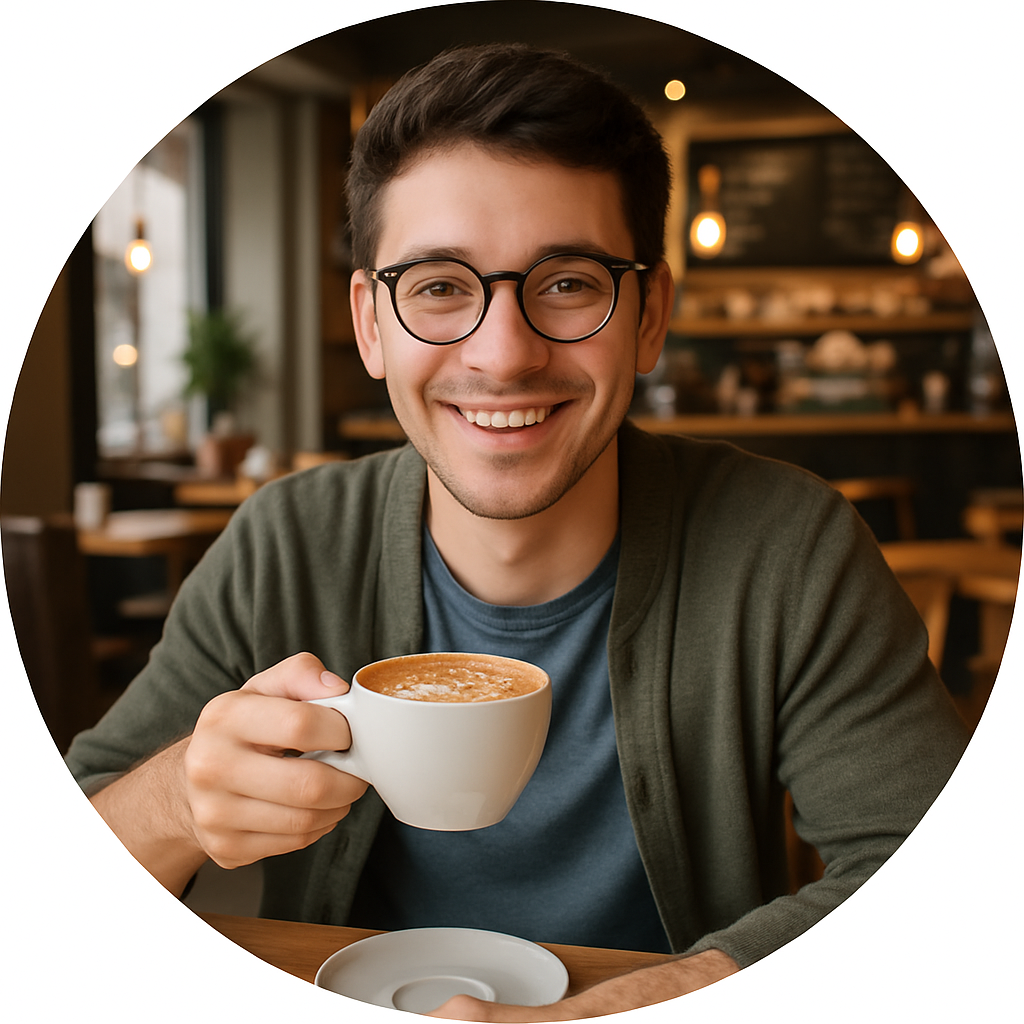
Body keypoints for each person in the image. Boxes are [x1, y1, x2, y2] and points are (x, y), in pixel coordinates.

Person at [66, 43, 969, 1019]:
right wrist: (175, 804)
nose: (503, 356)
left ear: (650, 314)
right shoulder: (284, 541)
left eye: (569, 282)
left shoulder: (787, 547)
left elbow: (948, 886)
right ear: (371, 323)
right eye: (441, 286)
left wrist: (653, 998)